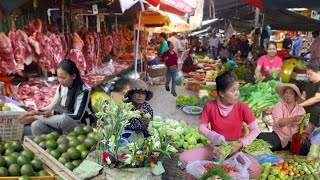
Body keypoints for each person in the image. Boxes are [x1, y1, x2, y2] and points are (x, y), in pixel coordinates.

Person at [179, 71, 262, 179]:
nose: (237, 93)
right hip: (215, 149)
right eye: (233, 90)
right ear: (222, 93)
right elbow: (202, 127)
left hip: (235, 148)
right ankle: (219, 169)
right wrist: (214, 136)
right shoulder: (210, 106)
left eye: (237, 89)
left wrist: (241, 144)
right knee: (183, 158)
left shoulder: (242, 107)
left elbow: (256, 129)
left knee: (255, 171)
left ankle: (219, 169)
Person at [18, 59, 94, 136]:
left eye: (63, 78)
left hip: (81, 127)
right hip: (63, 124)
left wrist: (39, 116)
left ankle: (36, 118)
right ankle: (42, 146)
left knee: (63, 119)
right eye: (58, 77)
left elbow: (77, 117)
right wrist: (34, 112)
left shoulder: (84, 91)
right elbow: (51, 106)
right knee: (36, 125)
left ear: (73, 76)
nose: (60, 81)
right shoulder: (62, 87)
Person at [257, 83, 313, 151]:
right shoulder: (279, 106)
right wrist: (293, 119)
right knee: (261, 136)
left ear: (295, 96)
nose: (288, 95)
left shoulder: (301, 110)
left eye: (291, 93)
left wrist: (305, 124)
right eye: (286, 93)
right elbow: (279, 123)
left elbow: (303, 128)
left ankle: (288, 147)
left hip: (293, 139)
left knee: (306, 146)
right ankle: (282, 147)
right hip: (279, 136)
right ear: (283, 95)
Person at [299, 62, 320, 127]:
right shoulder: (309, 83)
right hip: (307, 109)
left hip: (316, 111)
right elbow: (303, 96)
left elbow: (316, 98)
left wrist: (301, 105)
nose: (308, 76)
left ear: (318, 72)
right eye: (307, 74)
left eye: (310, 74)